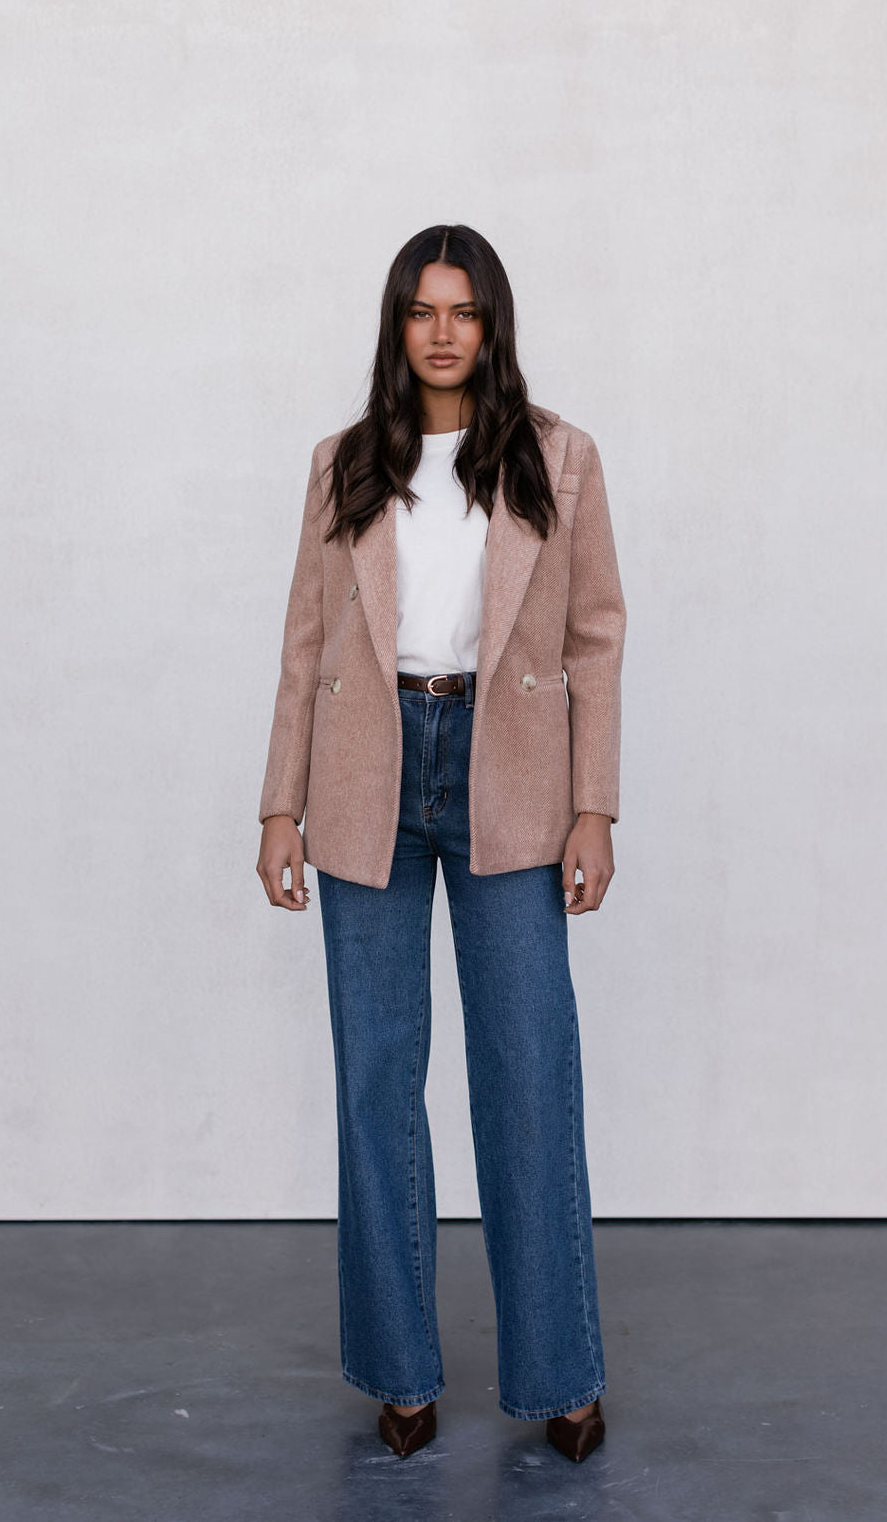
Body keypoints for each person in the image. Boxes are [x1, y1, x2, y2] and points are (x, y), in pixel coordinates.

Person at [256, 223, 626, 1464]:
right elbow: (304, 646)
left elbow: (593, 639)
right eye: (421, 310)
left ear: (492, 324)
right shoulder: (344, 463)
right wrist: (278, 807)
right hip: (367, 769)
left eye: (463, 311)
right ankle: (399, 1371)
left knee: (528, 1074)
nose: (442, 332)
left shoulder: (558, 458)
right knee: (375, 1082)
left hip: (508, 772)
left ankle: (561, 1372)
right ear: (396, 325)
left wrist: (593, 805)